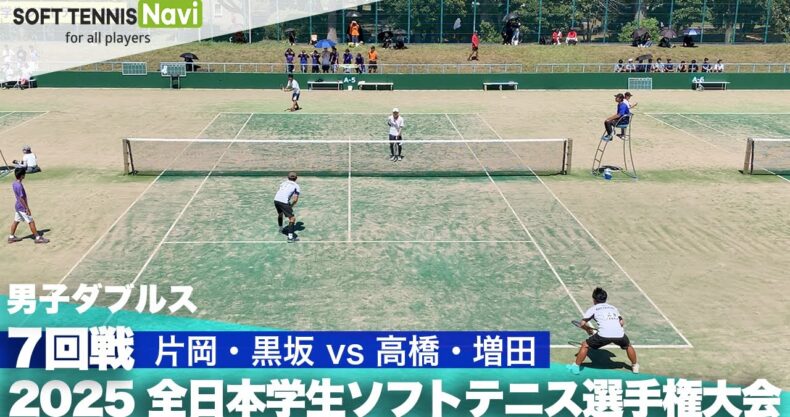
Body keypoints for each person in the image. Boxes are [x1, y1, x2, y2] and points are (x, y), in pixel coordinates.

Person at [567, 287, 638, 375]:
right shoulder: (613, 308)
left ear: (594, 299)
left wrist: (587, 329)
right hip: (619, 334)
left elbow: (582, 323)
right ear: (605, 298)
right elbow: (621, 322)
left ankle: (575, 367)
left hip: (603, 335)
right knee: (628, 346)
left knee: (585, 345)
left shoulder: (593, 309)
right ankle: (635, 366)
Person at [8, 168, 48, 244]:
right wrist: (27, 208)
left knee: (16, 221)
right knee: (31, 221)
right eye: (24, 174)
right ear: (22, 176)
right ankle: (37, 237)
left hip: (17, 206)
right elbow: (21, 198)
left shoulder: (14, 183)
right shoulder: (19, 186)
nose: (25, 175)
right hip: (22, 207)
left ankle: (11, 237)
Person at [274, 172, 301, 243]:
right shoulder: (296, 186)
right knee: (292, 218)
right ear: (296, 178)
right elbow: (295, 200)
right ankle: (290, 238)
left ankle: (280, 229)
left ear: (288, 177)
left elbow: (282, 192)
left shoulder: (283, 183)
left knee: (280, 214)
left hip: (276, 200)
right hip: (284, 202)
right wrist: (291, 206)